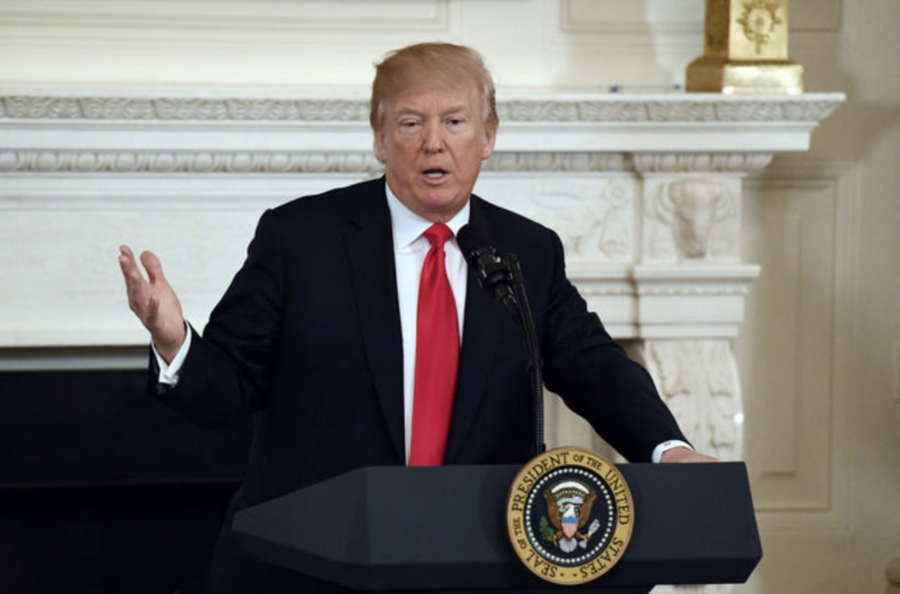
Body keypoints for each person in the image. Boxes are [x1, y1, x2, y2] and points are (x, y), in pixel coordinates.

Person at [119, 42, 714, 594]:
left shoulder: (526, 251)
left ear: (488, 137)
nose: (434, 142)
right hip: (309, 565)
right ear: (380, 139)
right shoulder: (301, 239)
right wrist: (176, 344)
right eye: (410, 123)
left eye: (454, 121)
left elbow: (594, 366)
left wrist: (667, 449)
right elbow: (229, 385)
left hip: (472, 562)